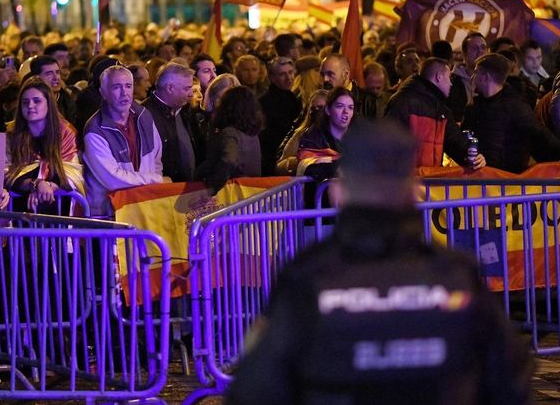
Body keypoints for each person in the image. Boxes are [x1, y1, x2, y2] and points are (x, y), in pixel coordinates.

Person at [225, 119, 533, 405]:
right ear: (416, 193)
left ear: (338, 194)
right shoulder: (457, 275)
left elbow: (254, 391)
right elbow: (511, 381)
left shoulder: (307, 278)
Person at [463, 54, 560, 173]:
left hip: (507, 182)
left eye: (476, 72)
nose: (472, 77)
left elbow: (539, 133)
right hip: (479, 179)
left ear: (485, 77)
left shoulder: (515, 107)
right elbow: (463, 139)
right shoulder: (473, 107)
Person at [82, 65, 164, 217]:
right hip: (108, 214)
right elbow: (113, 179)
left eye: (128, 86)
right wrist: (154, 180)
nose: (124, 93)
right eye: (116, 87)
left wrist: (152, 189)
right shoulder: (95, 129)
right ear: (103, 93)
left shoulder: (143, 116)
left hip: (143, 207)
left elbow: (156, 159)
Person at [385, 57, 486, 169]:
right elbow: (388, 143)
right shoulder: (404, 101)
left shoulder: (440, 108)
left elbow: (453, 139)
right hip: (405, 182)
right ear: (439, 76)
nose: (451, 84)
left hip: (429, 181)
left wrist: (472, 156)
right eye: (448, 78)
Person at [6, 78, 83, 212]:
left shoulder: (66, 132)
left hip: (59, 210)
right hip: (21, 209)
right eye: (25, 102)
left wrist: (48, 186)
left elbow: (72, 172)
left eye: (37, 101)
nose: (30, 105)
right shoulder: (11, 135)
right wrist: (37, 184)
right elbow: (5, 172)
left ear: (49, 104)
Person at [195, 86, 263, 193]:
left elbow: (229, 160)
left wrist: (212, 186)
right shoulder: (253, 135)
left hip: (232, 194)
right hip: (251, 192)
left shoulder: (230, 133)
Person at [143, 62, 196, 183]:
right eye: (187, 88)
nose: (191, 94)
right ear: (170, 88)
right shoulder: (145, 115)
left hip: (187, 189)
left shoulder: (185, 110)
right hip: (163, 192)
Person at [295, 87, 353, 180]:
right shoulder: (312, 137)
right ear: (328, 110)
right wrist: (337, 168)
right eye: (340, 106)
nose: (346, 112)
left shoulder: (358, 137)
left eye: (350, 107)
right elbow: (309, 167)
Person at [259, 57, 302, 175]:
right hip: (273, 160)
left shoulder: (294, 98)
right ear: (272, 78)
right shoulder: (264, 102)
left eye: (290, 72)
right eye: (282, 74)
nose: (289, 78)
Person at [276, 90, 328, 175]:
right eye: (313, 108)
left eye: (321, 108)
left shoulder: (338, 134)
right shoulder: (301, 135)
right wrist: (294, 162)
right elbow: (279, 167)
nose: (317, 112)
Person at [320, 53, 380, 120]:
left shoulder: (368, 102)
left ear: (345, 74)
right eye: (322, 75)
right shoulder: (317, 100)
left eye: (330, 74)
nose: (325, 79)